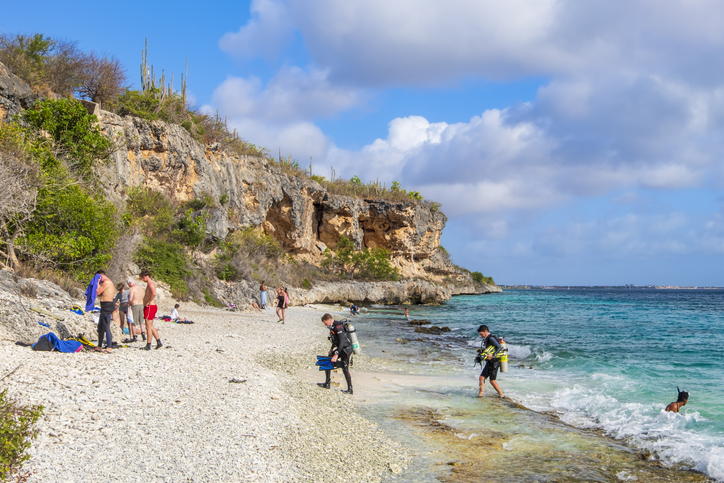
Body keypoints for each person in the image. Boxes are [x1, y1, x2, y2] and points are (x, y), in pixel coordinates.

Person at [317, 313, 353, 394]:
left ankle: (350, 389)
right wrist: (331, 349)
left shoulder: (338, 327)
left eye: (325, 323)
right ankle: (327, 383)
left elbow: (342, 342)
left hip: (346, 349)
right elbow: (335, 339)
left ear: (330, 320)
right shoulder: (333, 327)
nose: (325, 325)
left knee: (345, 368)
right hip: (340, 348)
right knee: (328, 360)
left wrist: (336, 354)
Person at [477, 325, 505, 398]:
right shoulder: (487, 339)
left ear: (486, 331)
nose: (481, 335)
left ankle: (502, 395)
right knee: (481, 377)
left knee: (492, 381)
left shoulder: (491, 338)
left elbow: (499, 347)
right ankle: (480, 395)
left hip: (495, 362)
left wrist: (493, 356)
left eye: (481, 334)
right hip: (490, 362)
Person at [140, 269, 162, 350]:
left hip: (150, 307)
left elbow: (154, 293)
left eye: (143, 277)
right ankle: (158, 341)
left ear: (147, 276)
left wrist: (149, 302)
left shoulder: (151, 284)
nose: (143, 279)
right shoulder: (149, 284)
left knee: (148, 326)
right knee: (150, 326)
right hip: (150, 307)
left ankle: (148, 344)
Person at [95, 270, 115, 352]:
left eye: (98, 277)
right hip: (103, 306)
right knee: (100, 327)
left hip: (107, 305)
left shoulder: (107, 282)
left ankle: (109, 347)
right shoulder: (105, 283)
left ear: (101, 276)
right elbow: (99, 294)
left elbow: (97, 291)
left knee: (106, 326)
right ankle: (99, 346)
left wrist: (97, 283)